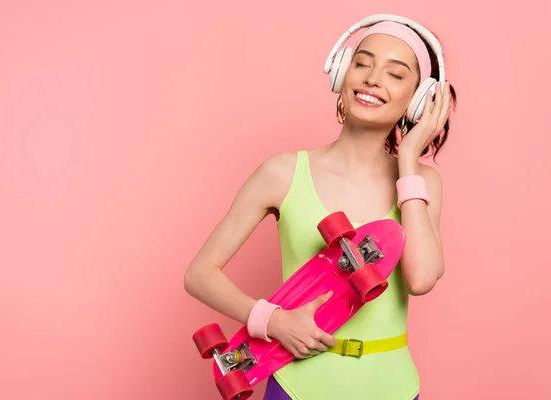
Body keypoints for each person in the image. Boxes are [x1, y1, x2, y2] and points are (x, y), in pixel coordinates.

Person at [184, 13, 457, 400]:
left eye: (395, 74)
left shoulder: (423, 183)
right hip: (299, 386)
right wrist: (272, 321)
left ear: (418, 100)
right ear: (341, 74)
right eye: (361, 63)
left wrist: (410, 158)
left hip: (394, 387)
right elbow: (199, 274)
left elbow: (421, 279)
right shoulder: (283, 173)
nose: (372, 78)